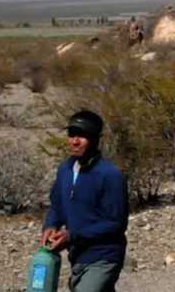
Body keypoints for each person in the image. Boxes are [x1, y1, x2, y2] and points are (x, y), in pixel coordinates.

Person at [42, 110, 129, 292]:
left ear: (95, 139)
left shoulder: (110, 175)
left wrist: (72, 236)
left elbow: (115, 223)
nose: (75, 141)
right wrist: (50, 226)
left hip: (104, 256)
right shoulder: (65, 170)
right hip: (78, 256)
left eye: (82, 136)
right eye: (72, 135)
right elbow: (57, 206)